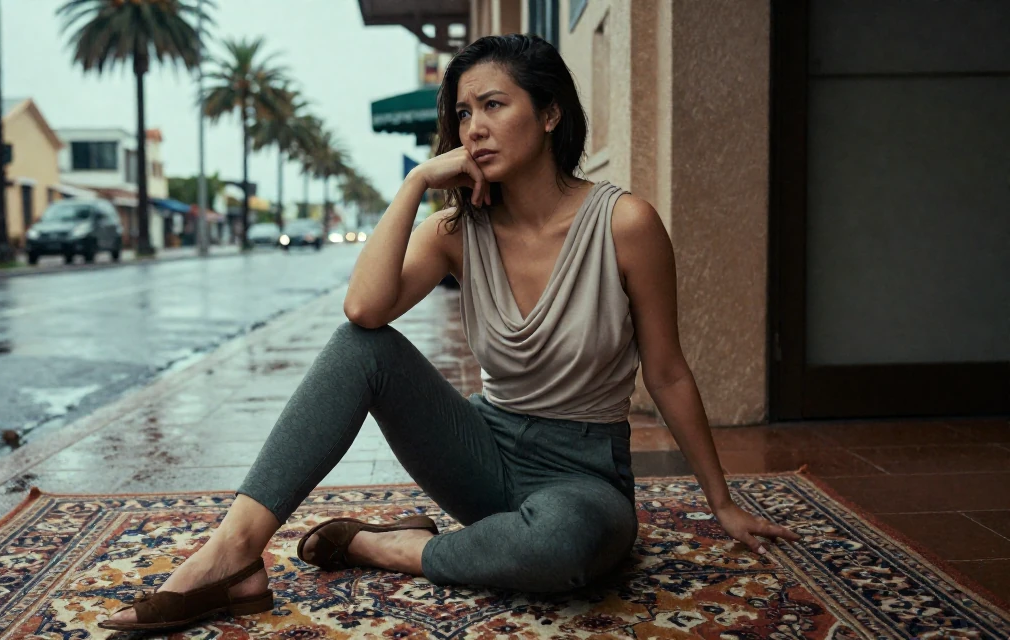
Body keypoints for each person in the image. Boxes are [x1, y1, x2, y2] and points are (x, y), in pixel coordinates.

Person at [101, 33, 800, 632]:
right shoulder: (458, 231)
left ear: (551, 112)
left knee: (562, 550)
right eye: (463, 112)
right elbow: (363, 313)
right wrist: (414, 186)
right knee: (360, 349)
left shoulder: (625, 225)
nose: (474, 127)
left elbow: (668, 369)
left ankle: (389, 547)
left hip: (583, 475)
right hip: (483, 452)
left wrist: (721, 501)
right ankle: (233, 556)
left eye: (495, 105)